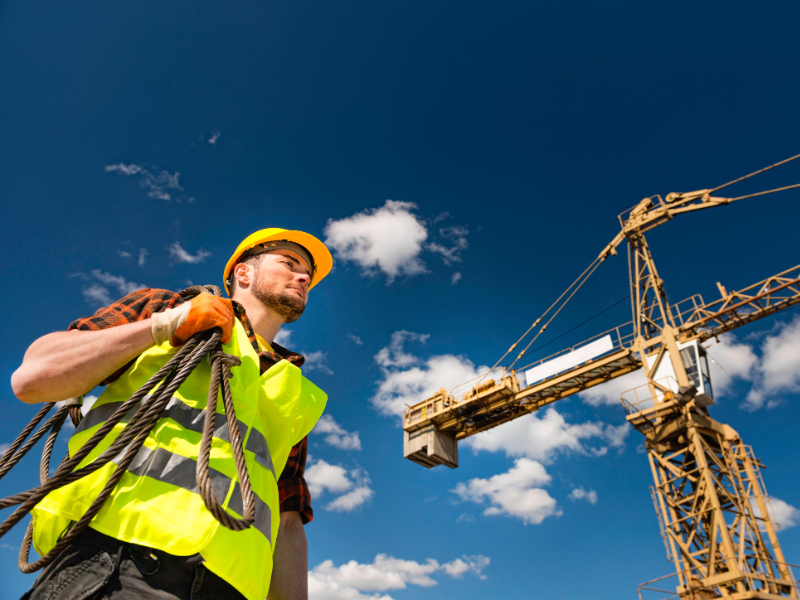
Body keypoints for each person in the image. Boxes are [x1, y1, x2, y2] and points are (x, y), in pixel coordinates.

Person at [11, 228, 333, 600]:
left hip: (231, 589)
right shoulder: (168, 309)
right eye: (289, 263)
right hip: (113, 562)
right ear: (243, 273)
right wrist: (166, 325)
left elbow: (287, 523)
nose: (304, 276)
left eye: (307, 273)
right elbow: (34, 377)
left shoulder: (291, 388)